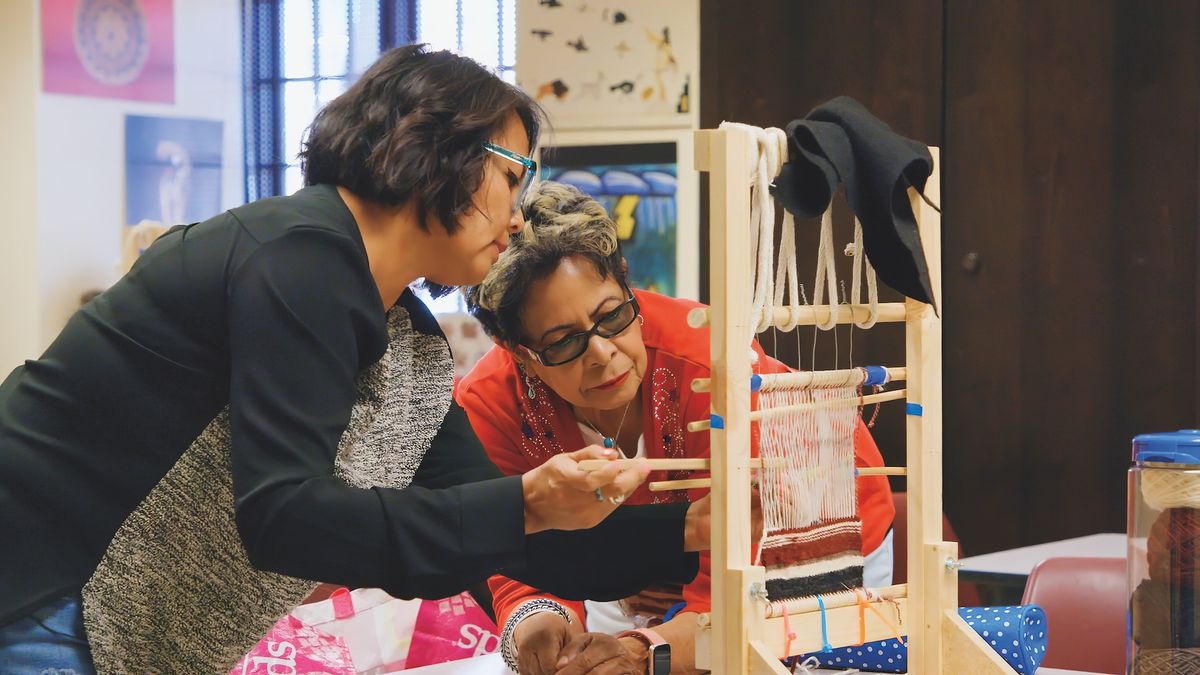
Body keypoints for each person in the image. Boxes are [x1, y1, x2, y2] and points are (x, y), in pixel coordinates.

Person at [0, 46, 707, 674]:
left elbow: (499, 534)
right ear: (441, 149)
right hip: (45, 591)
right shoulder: (297, 260)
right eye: (513, 174)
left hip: (105, 616)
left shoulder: (408, 337)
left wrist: (688, 530)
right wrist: (525, 503)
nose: (519, 216)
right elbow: (284, 516)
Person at [457, 182, 896, 675]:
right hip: (640, 574)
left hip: (807, 543)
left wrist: (644, 651)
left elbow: (732, 591)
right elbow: (512, 550)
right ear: (519, 352)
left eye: (612, 316)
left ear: (625, 282)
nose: (603, 354)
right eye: (562, 343)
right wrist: (535, 619)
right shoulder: (490, 403)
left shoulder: (712, 361)